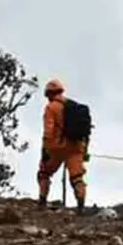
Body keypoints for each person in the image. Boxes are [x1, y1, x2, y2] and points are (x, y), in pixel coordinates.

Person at [37, 78, 88, 211]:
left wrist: (46, 149)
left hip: (57, 148)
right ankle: (81, 205)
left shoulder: (51, 107)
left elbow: (48, 130)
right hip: (77, 147)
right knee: (77, 177)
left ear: (49, 93)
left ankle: (42, 201)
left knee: (44, 173)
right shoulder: (73, 106)